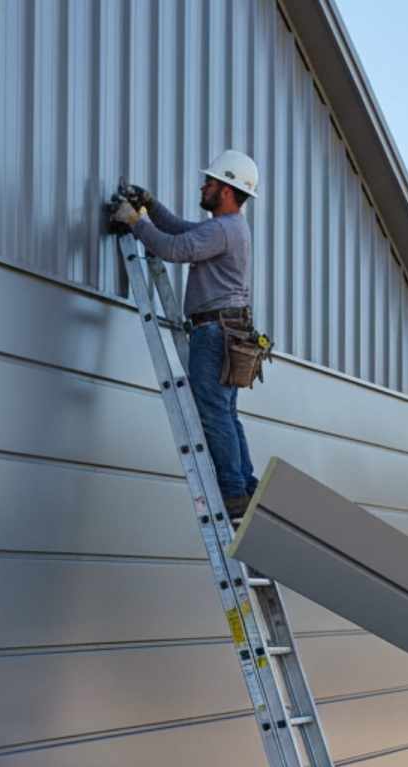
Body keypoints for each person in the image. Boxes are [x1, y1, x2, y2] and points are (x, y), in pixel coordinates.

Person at [111, 150, 260, 522]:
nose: (204, 186)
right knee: (225, 412)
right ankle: (244, 485)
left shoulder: (223, 229)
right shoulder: (228, 228)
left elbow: (174, 248)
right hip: (227, 330)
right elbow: (182, 231)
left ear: (227, 191)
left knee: (213, 414)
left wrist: (135, 223)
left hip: (214, 333)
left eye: (210, 182)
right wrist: (151, 207)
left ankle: (232, 491)